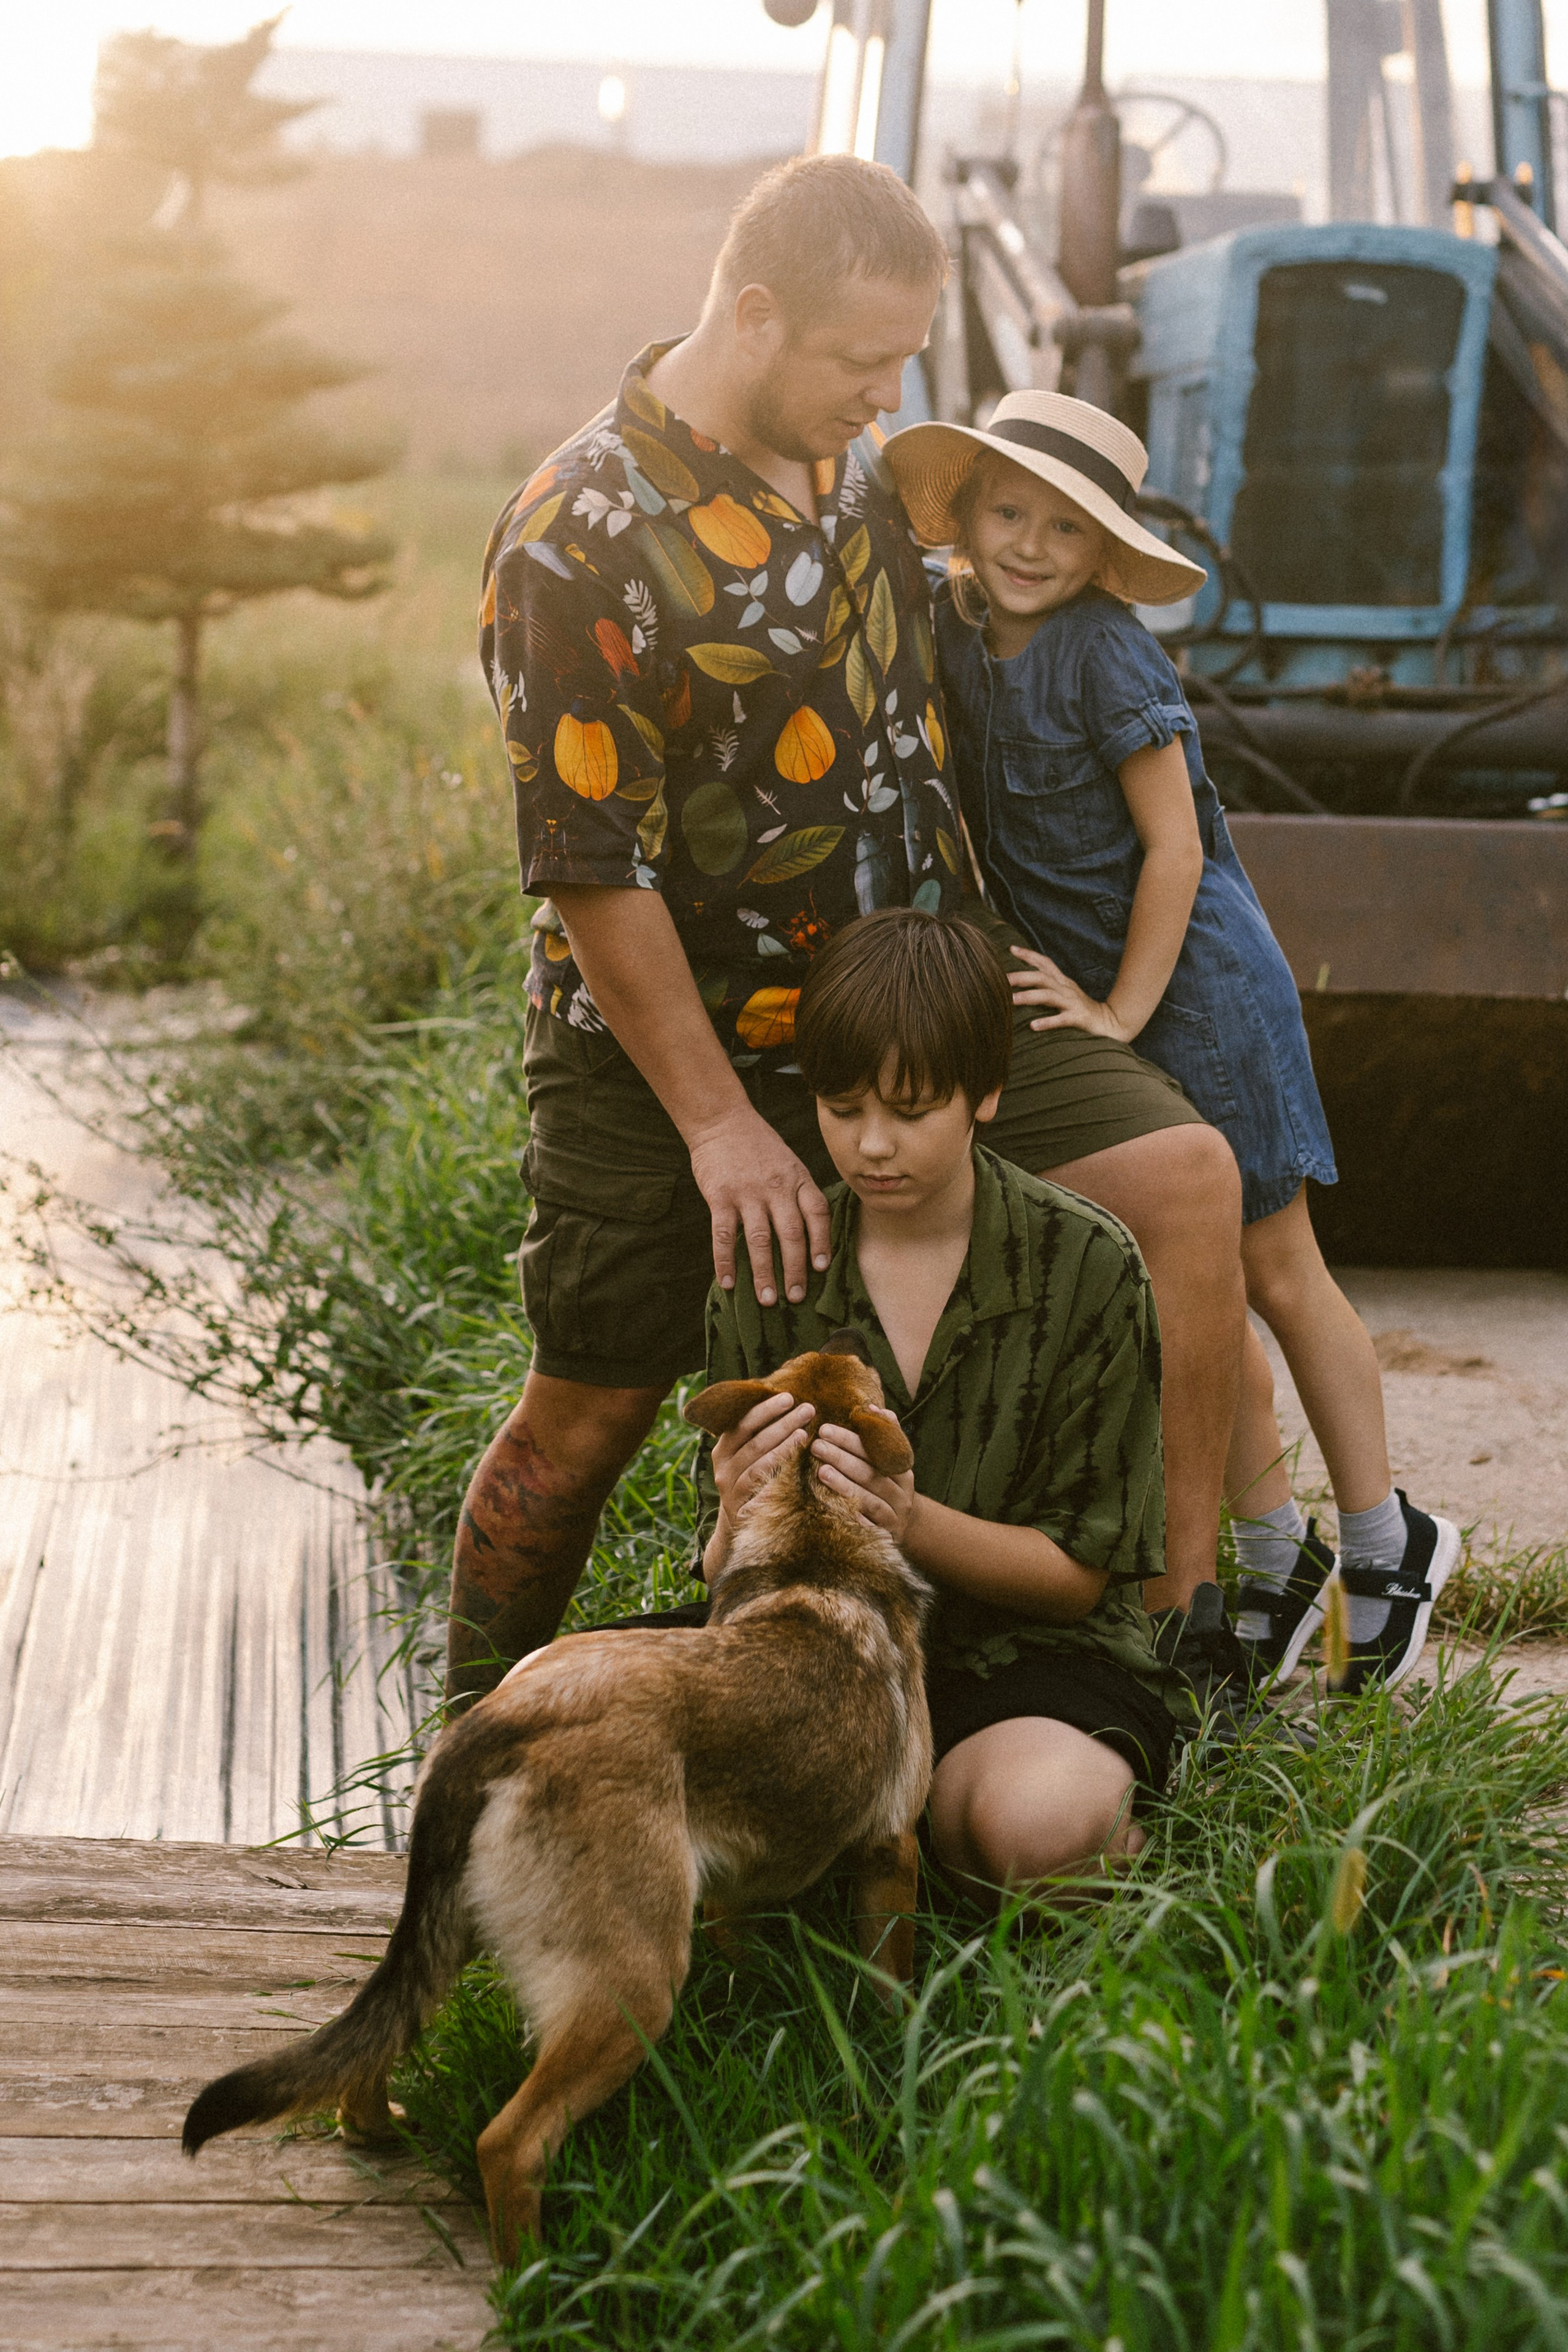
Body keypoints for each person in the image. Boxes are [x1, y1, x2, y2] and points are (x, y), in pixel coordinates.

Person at [452, 154, 1250, 1720]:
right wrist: (713, 1131)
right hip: (687, 1050)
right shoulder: (578, 533)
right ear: (752, 317)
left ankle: (1171, 1645)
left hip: (927, 1005)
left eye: (902, 361)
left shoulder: (865, 470)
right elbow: (588, 866)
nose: (887, 397)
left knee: (1184, 1181)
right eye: (858, 362)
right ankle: (465, 1755)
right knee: (593, 1408)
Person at [884, 388, 1460, 1694]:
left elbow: (1174, 846)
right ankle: (1272, 1547)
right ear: (964, 519)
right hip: (1094, 988)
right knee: (1186, 1274)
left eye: (1064, 530)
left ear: (1104, 555)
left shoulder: (1105, 654)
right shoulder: (958, 633)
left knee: (1274, 1265)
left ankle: (1386, 1539)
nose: (1030, 545)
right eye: (1006, 513)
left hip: (1190, 985)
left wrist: (1120, 1015)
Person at [696, 908, 1184, 1898]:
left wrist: (908, 1520)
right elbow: (719, 1583)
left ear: (986, 1093)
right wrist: (735, 1509)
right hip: (814, 1657)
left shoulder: (1086, 1263)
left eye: (911, 1112)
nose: (872, 1146)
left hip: (1025, 1665)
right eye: (842, 1108)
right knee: (576, 1721)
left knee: (1030, 1829)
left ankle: (1054, 1858)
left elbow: (1080, 1579)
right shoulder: (774, 1268)